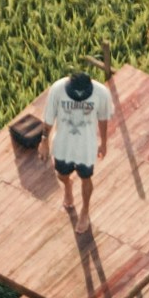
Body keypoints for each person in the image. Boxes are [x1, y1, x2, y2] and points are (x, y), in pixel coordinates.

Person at [40, 66, 115, 219]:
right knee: (61, 174)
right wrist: (44, 141)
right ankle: (68, 185)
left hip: (86, 146)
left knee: (86, 178)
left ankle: (85, 211)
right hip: (62, 144)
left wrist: (104, 143)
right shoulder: (57, 89)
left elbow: (103, 119)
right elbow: (48, 118)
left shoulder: (101, 93)